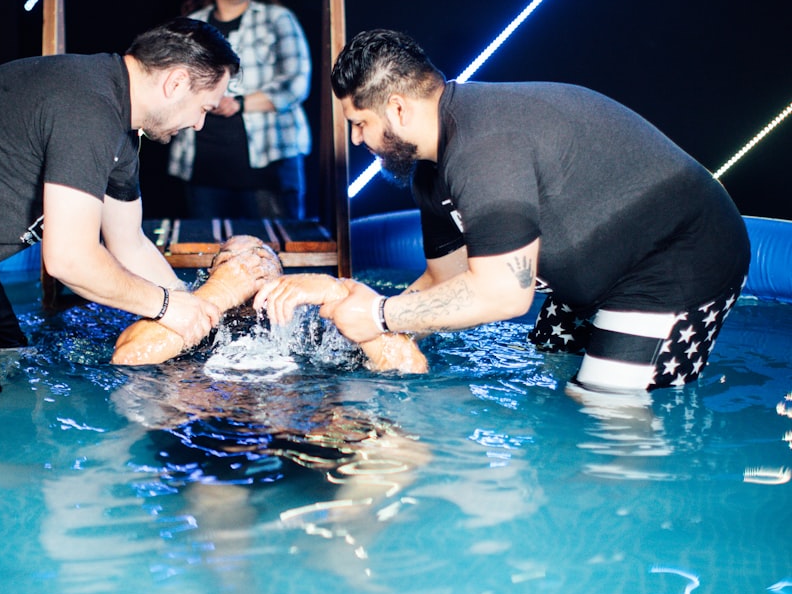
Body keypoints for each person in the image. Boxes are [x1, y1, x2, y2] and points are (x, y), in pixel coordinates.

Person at [255, 29, 751, 393]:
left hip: (676, 261)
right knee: (547, 367)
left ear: (399, 109)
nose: (356, 138)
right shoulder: (430, 169)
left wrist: (380, 314)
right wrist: (356, 334)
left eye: (359, 123)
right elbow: (445, 281)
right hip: (597, 270)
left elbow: (504, 296)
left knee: (603, 413)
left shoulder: (484, 146)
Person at [0, 17, 240, 397]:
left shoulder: (118, 125)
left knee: (10, 363)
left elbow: (129, 243)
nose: (199, 124)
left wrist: (197, 314)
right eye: (205, 108)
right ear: (176, 82)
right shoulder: (87, 110)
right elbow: (70, 261)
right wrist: (167, 306)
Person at [112, 235, 426, 373]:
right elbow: (129, 358)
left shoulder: (316, 324)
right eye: (230, 261)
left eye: (262, 257)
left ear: (285, 276)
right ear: (209, 276)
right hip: (215, 429)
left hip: (311, 426)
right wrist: (219, 291)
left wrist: (337, 291)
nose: (249, 267)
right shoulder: (187, 315)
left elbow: (408, 366)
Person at [167, 0, 312, 219]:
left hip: (267, 162)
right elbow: (175, 81)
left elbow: (296, 82)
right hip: (204, 166)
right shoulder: (193, 23)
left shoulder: (277, 18)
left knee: (274, 250)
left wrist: (240, 103)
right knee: (208, 249)